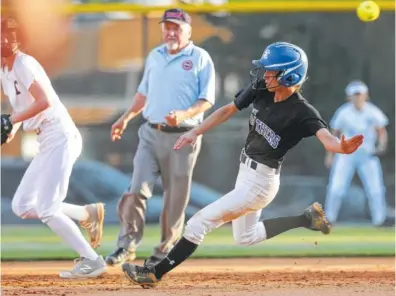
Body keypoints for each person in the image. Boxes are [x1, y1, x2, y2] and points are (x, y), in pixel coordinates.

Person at [121, 41, 364, 288]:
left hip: (261, 183)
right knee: (245, 237)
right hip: (245, 172)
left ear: (290, 75)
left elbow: (327, 139)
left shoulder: (303, 112)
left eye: (272, 71)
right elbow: (227, 110)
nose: (266, 74)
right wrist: (195, 131)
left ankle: (155, 273)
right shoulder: (262, 89)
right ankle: (306, 219)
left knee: (198, 223)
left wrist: (341, 147)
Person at [105, 8, 215, 267]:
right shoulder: (155, 55)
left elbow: (206, 100)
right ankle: (126, 245)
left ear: (188, 30)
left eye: (177, 27)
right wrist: (125, 118)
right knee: (136, 189)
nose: (171, 32)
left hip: (183, 137)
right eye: (167, 26)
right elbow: (143, 94)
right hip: (150, 132)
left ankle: (164, 251)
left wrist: (185, 114)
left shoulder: (200, 57)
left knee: (175, 198)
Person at [0, 18, 106, 278]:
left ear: (19, 40)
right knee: (23, 206)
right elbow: (21, 106)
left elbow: (45, 100)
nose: (5, 39)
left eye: (11, 35)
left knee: (47, 208)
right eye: (2, 34)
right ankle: (85, 213)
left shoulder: (24, 63)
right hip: (47, 139)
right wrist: (13, 127)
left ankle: (92, 260)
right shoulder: (4, 69)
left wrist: (11, 121)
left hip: (59, 134)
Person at [324, 80, 388, 226]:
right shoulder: (343, 112)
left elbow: (381, 131)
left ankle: (380, 220)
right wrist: (330, 155)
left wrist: (381, 145)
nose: (357, 98)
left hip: (367, 155)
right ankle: (329, 219)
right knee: (336, 188)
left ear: (365, 95)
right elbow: (334, 134)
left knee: (375, 189)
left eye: (360, 95)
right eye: (354, 95)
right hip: (346, 155)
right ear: (349, 97)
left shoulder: (373, 111)